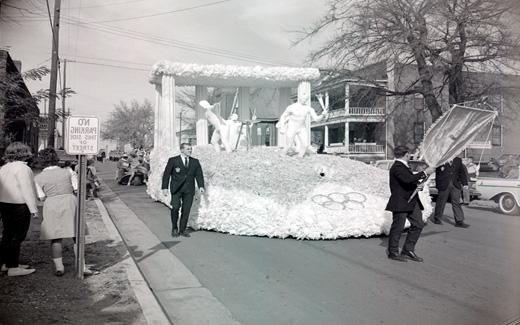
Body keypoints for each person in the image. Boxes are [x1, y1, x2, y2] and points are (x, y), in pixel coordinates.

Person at [385, 146, 435, 262]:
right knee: (398, 228)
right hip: (401, 202)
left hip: (411, 201)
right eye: (409, 154)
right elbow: (407, 179)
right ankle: (393, 252)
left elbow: (408, 181)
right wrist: (424, 172)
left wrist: (418, 185)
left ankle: (408, 250)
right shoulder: (397, 166)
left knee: (418, 224)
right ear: (406, 154)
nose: (410, 156)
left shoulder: (403, 166)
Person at [34, 148, 77, 276]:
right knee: (76, 235)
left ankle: (59, 267)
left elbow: (41, 197)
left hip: (51, 204)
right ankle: (81, 264)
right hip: (69, 201)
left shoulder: (38, 178)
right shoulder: (68, 171)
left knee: (56, 238)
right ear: (56, 159)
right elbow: (76, 188)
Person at [0, 142, 38, 276]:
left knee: (8, 234)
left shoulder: (4, 168)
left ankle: (5, 263)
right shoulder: (23, 169)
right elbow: (27, 189)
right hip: (19, 205)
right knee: (18, 235)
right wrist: (33, 208)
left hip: (4, 203)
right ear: (24, 153)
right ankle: (13, 267)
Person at [161, 143, 205, 238]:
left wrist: (201, 186)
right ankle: (174, 228)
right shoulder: (173, 160)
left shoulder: (195, 162)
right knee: (175, 208)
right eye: (188, 149)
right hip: (176, 189)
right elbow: (167, 174)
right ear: (182, 150)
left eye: (190, 149)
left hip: (189, 190)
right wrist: (165, 187)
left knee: (186, 210)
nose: (190, 150)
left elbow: (199, 174)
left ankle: (182, 229)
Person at [432, 156, 470, 228]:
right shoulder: (442, 159)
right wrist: (438, 185)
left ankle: (459, 221)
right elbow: (438, 173)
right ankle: (437, 218)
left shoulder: (458, 160)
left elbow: (461, 172)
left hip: (455, 185)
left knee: (457, 202)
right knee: (441, 202)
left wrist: (465, 183)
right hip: (444, 185)